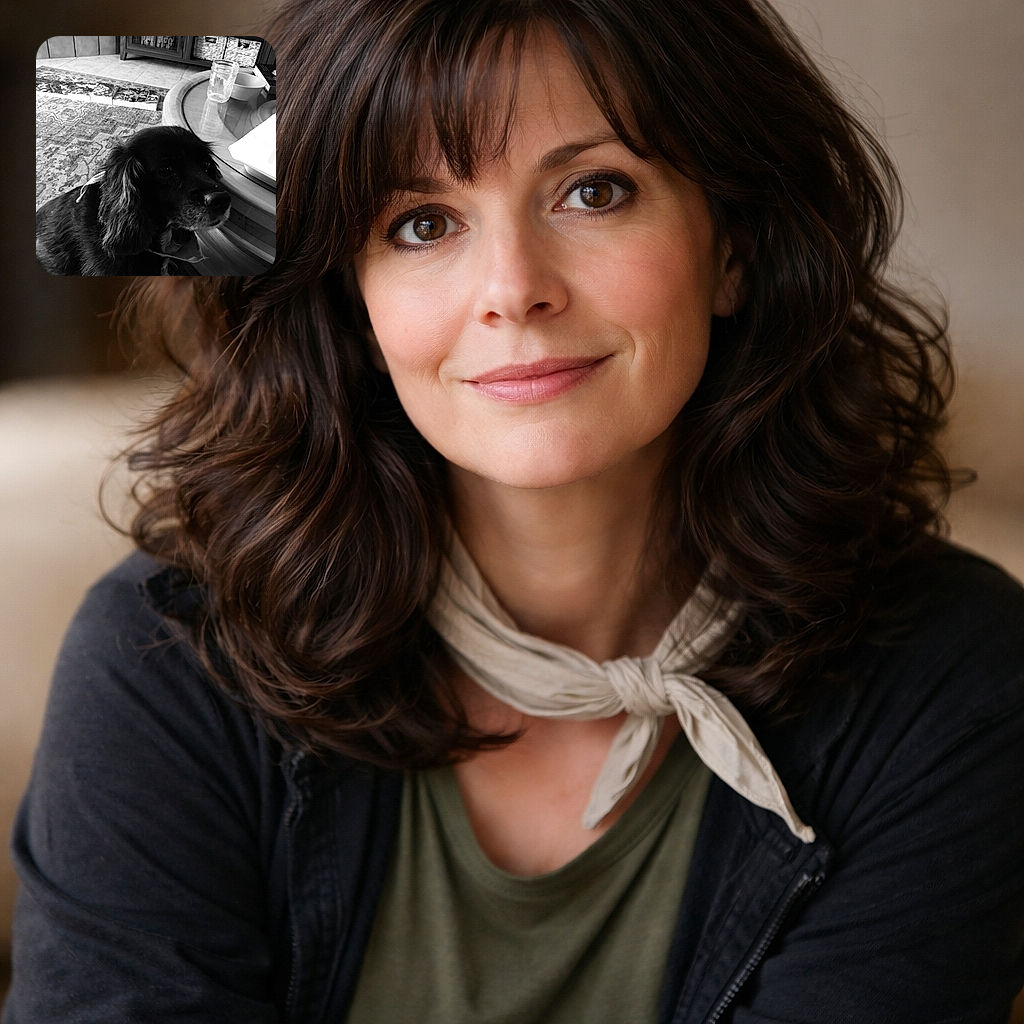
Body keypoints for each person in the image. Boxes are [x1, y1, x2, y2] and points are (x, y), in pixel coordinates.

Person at [5, 0, 1024, 1020]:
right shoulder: (169, 655)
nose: (512, 289)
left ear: (734, 247)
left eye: (594, 190)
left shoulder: (950, 672)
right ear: (351, 302)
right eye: (420, 223)